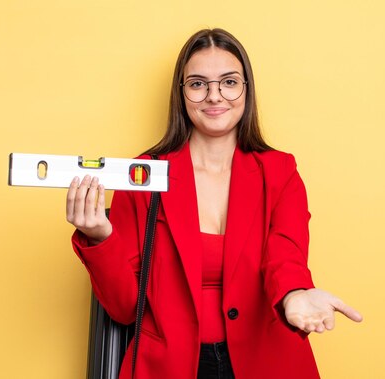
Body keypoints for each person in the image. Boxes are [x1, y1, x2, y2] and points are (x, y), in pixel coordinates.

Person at [66, 28, 362, 379]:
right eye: (197, 84)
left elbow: (285, 256)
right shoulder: (144, 175)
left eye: (229, 82)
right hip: (169, 367)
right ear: (182, 93)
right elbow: (124, 308)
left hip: (266, 359)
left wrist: (295, 295)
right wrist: (100, 237)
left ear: (246, 90)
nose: (214, 96)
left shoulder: (280, 172)